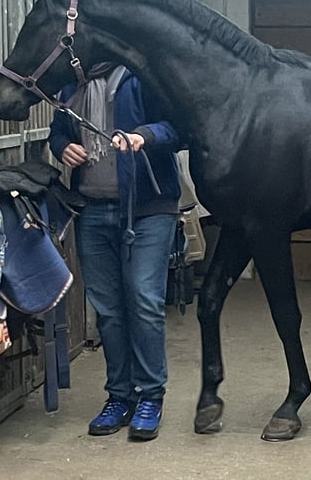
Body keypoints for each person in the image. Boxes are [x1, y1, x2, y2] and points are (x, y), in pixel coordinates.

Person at [49, 63, 181, 441]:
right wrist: (63, 147)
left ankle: (151, 396)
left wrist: (143, 136)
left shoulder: (144, 73)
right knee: (108, 308)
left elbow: (178, 126)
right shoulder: (71, 84)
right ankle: (120, 397)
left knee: (143, 298)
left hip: (148, 208)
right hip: (92, 207)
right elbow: (58, 131)